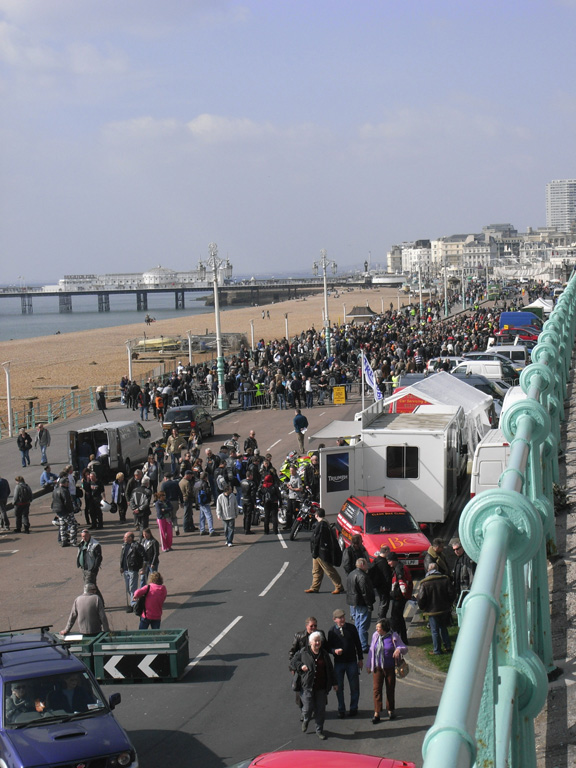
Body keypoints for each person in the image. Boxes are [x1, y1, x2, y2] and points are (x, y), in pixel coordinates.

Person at [289, 631, 337, 741]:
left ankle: (319, 730)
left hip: (321, 688)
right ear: (310, 642)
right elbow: (293, 662)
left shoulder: (324, 654)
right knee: (308, 708)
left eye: (319, 641)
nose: (317, 643)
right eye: (315, 641)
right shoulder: (303, 652)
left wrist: (335, 683)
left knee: (320, 710)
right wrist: (301, 666)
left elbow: (330, 669)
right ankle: (306, 719)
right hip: (307, 687)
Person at [366, 618, 407, 724]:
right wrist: (368, 665)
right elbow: (371, 650)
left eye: (378, 627)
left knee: (390, 688)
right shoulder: (375, 635)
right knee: (377, 690)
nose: (376, 629)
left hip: (389, 668)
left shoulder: (394, 636)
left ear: (384, 628)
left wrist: (398, 649)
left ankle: (390, 710)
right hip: (377, 667)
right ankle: (377, 713)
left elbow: (404, 648)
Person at [327, 608, 363, 718]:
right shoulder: (332, 632)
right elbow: (329, 648)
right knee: (339, 687)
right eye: (339, 618)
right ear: (334, 620)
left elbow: (358, 643)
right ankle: (341, 709)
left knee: (354, 687)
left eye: (343, 617)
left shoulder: (351, 628)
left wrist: (360, 659)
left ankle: (353, 708)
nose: (342, 619)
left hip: (352, 662)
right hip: (339, 663)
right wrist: (334, 651)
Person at [288, 617, 327, 715]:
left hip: (316, 667)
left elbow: (325, 650)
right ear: (306, 626)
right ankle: (303, 711)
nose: (313, 628)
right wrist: (293, 667)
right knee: (301, 690)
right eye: (311, 626)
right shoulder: (299, 636)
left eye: (315, 626)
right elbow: (292, 652)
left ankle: (315, 709)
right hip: (302, 668)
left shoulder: (320, 634)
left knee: (317, 688)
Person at [417, 562, 455, 655]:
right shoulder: (445, 579)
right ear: (437, 569)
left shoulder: (424, 583)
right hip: (444, 609)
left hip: (432, 611)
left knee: (435, 631)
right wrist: (449, 603)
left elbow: (421, 598)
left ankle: (437, 650)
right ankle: (448, 646)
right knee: (443, 628)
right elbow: (452, 594)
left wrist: (422, 607)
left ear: (428, 570)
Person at [305, 507, 344, 595]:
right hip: (318, 552)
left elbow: (317, 540)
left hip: (320, 552)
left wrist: (315, 552)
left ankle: (339, 586)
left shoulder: (321, 525)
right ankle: (315, 587)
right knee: (316, 570)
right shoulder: (325, 523)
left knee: (329, 570)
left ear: (317, 515)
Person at [346, 557, 375, 652]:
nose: (368, 566)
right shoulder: (362, 576)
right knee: (363, 625)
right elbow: (365, 592)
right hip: (362, 603)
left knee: (358, 624)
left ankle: (358, 643)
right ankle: (363, 646)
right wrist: (369, 604)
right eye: (366, 564)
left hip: (354, 603)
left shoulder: (351, 573)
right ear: (362, 565)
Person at [387, 552, 413, 645]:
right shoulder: (401, 566)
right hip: (401, 597)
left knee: (395, 618)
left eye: (389, 561)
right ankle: (403, 639)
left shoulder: (399, 569)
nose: (388, 563)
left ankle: (396, 639)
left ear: (394, 560)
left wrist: (402, 593)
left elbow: (402, 584)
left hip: (399, 597)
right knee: (400, 618)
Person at [76, 529, 104, 603]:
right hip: (84, 568)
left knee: (88, 586)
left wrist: (94, 568)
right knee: (92, 586)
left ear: (89, 535)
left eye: (85, 536)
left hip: (91, 569)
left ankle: (88, 603)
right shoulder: (82, 543)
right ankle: (100, 602)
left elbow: (99, 557)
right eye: (82, 536)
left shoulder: (95, 545)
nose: (84, 538)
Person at [120, 532, 145, 612]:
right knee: (128, 588)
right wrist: (121, 567)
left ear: (130, 538)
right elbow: (122, 556)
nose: (124, 538)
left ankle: (134, 605)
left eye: (125, 537)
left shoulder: (137, 546)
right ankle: (134, 601)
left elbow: (144, 557)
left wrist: (142, 568)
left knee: (132, 588)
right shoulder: (124, 545)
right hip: (126, 569)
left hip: (133, 569)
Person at [51, 475, 78, 547]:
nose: (68, 483)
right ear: (64, 483)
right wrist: (71, 510)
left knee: (62, 525)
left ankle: (64, 541)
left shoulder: (55, 490)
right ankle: (73, 541)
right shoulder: (65, 491)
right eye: (67, 482)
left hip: (58, 510)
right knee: (73, 525)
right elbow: (67, 502)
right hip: (65, 511)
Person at [369, 545, 393, 619]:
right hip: (383, 586)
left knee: (382, 601)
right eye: (389, 551)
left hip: (378, 585)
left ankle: (381, 616)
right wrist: (390, 587)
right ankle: (381, 617)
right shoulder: (384, 563)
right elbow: (387, 576)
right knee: (384, 602)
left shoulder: (376, 560)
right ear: (386, 551)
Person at [160, 472, 183, 536]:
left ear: (165, 478)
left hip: (167, 503)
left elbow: (161, 495)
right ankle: (176, 528)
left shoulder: (164, 485)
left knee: (168, 517)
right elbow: (180, 493)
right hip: (175, 502)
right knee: (174, 516)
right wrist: (181, 502)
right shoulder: (175, 483)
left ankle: (169, 531)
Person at [194, 472, 216, 536]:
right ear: (205, 477)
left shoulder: (196, 483)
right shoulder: (204, 484)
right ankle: (211, 530)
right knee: (209, 516)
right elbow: (208, 492)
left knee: (202, 516)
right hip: (205, 502)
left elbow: (194, 492)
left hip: (199, 502)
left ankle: (202, 529)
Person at [284, 464, 302, 530]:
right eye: (290, 471)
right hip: (290, 496)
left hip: (295, 498)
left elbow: (300, 488)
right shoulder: (291, 476)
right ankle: (288, 525)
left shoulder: (298, 478)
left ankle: (297, 526)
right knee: (289, 511)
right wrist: (288, 484)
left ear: (295, 471)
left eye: (292, 471)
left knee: (295, 512)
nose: (291, 472)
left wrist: (293, 489)